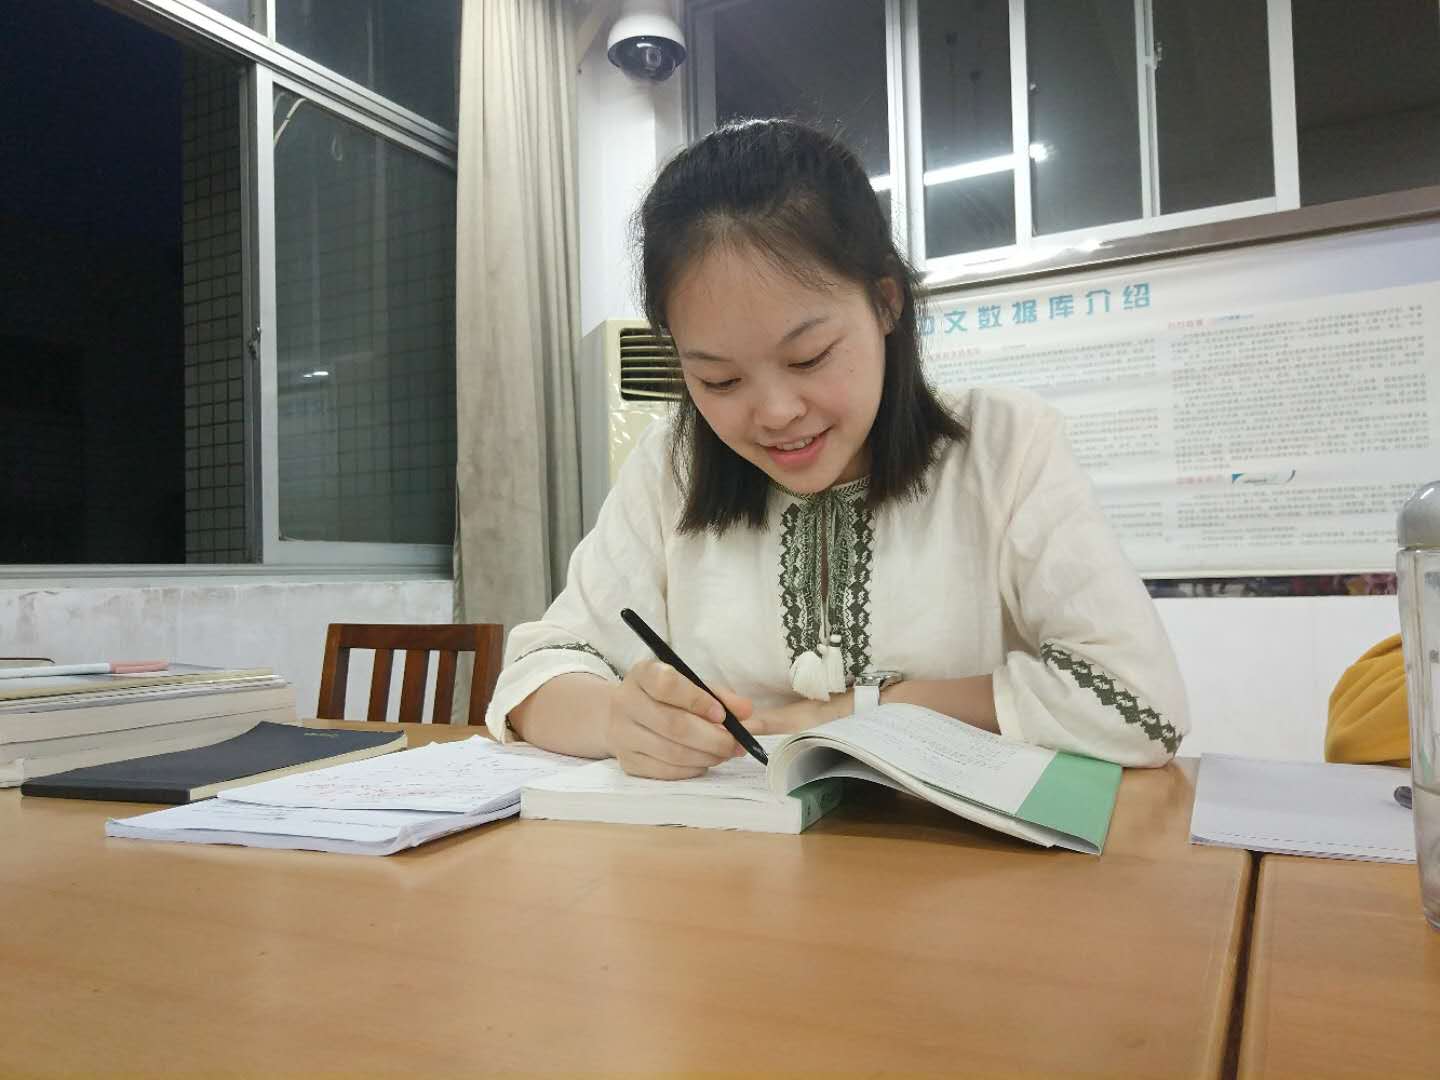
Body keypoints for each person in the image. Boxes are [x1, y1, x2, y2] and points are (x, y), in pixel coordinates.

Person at [485, 118, 1188, 778]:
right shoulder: (673, 466)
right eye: (719, 379)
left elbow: (1141, 705)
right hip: (726, 854)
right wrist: (617, 719)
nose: (775, 413)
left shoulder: (1004, 446)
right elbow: (533, 677)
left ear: (886, 302)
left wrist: (865, 710)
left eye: (810, 357)